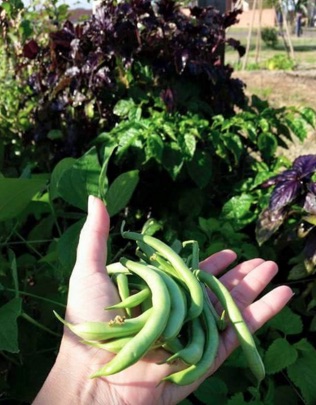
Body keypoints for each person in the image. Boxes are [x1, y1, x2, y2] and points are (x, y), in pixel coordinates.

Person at [33, 196, 293, 405]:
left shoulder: (167, 282)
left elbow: (192, 308)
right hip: (158, 304)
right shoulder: (145, 275)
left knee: (186, 309)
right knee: (178, 307)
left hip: (172, 308)